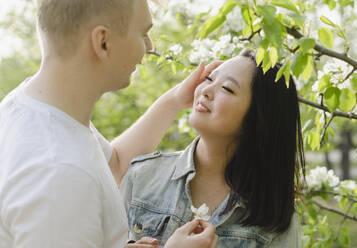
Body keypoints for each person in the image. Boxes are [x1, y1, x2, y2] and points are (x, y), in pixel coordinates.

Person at [0, 0, 221, 247]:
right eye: (143, 33)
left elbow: (114, 165)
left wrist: (174, 100)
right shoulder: (59, 177)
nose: (149, 46)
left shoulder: (38, 109)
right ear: (103, 42)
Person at [122, 49, 306, 247]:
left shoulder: (273, 219)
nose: (205, 90)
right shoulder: (142, 175)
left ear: (259, 117)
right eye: (209, 78)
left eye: (227, 88)